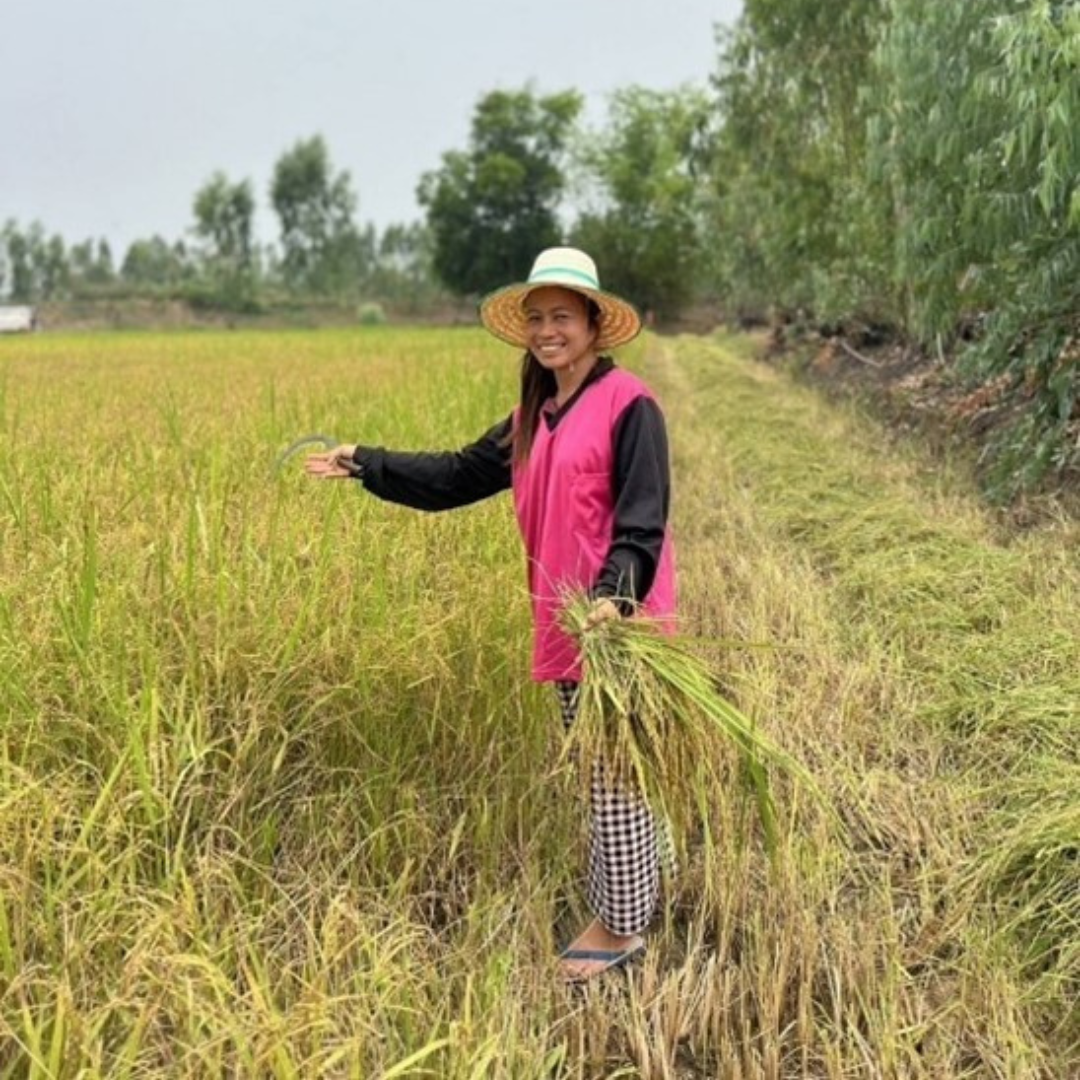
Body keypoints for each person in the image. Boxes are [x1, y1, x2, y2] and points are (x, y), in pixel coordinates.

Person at [305, 247, 676, 982]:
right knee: (616, 766)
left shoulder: (631, 406)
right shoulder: (531, 418)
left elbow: (643, 523)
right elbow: (451, 476)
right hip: (567, 622)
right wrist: (366, 462)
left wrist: (611, 598)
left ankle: (622, 926)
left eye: (562, 317)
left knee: (610, 771)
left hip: (613, 628)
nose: (547, 330)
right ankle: (646, 875)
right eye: (536, 319)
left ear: (595, 325)